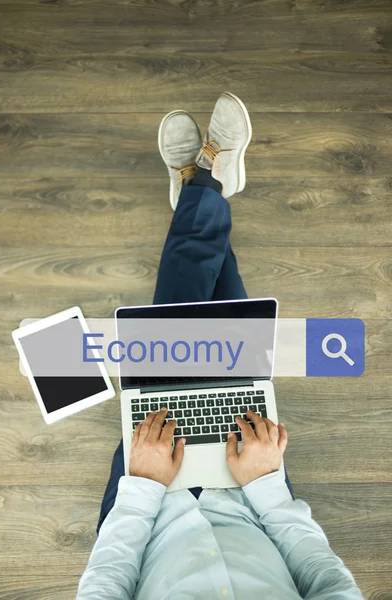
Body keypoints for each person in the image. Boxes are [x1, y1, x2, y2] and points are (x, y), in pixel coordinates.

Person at [76, 93, 363, 599]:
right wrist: (266, 487)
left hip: (150, 512)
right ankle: (202, 185)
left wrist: (142, 488)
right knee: (228, 346)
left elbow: (104, 584)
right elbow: (326, 579)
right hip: (254, 497)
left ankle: (203, 186)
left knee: (172, 340)